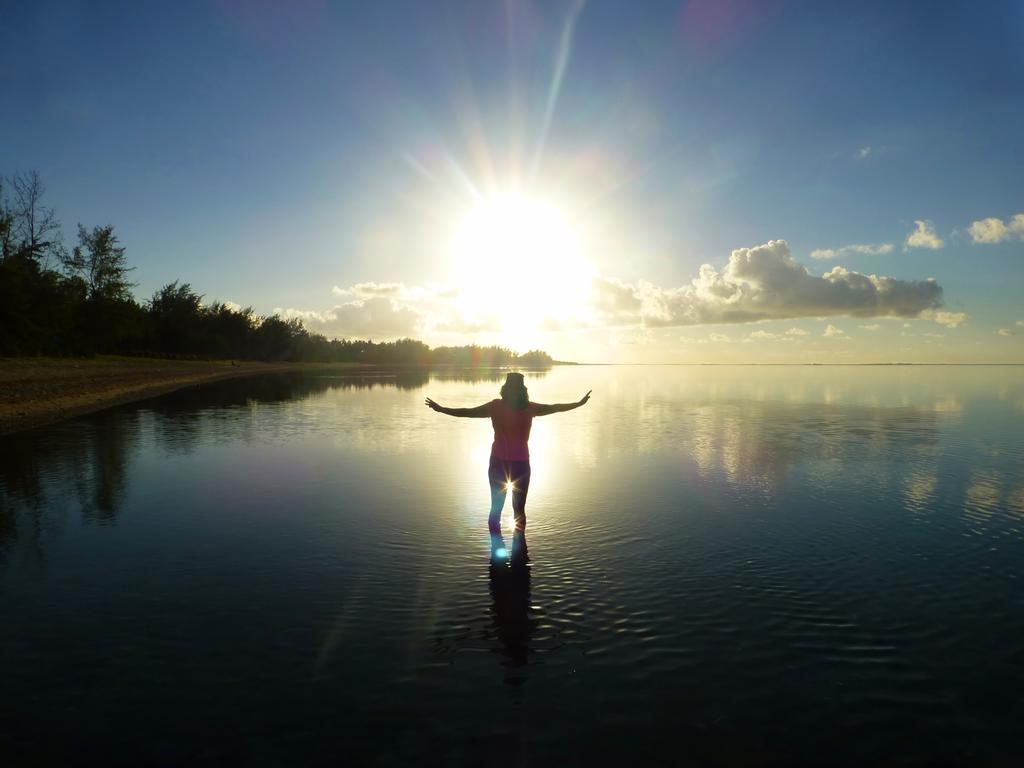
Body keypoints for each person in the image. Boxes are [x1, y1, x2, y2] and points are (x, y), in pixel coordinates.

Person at [425, 372, 591, 552]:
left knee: (518, 510)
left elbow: (555, 407)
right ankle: (499, 554)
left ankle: (517, 553)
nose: (513, 391)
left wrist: (578, 403)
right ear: (509, 389)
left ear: (519, 390)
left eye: (516, 388)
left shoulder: (526, 408)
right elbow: (468, 412)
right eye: (512, 387)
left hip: (516, 465)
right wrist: (442, 409)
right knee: (498, 509)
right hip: (502, 464)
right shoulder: (499, 407)